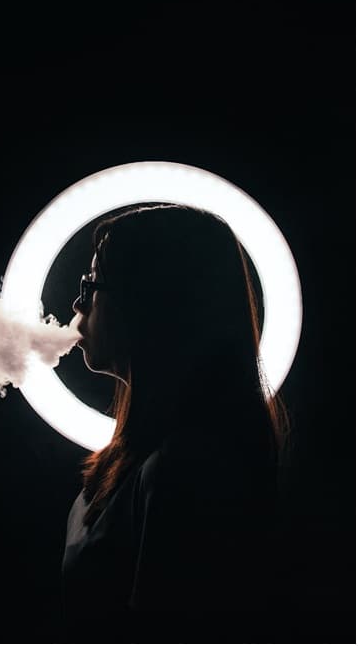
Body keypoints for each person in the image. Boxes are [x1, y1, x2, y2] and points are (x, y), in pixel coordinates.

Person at [62, 204, 287, 643]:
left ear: (146, 300)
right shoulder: (146, 459)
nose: (76, 304)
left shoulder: (186, 468)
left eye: (91, 285)